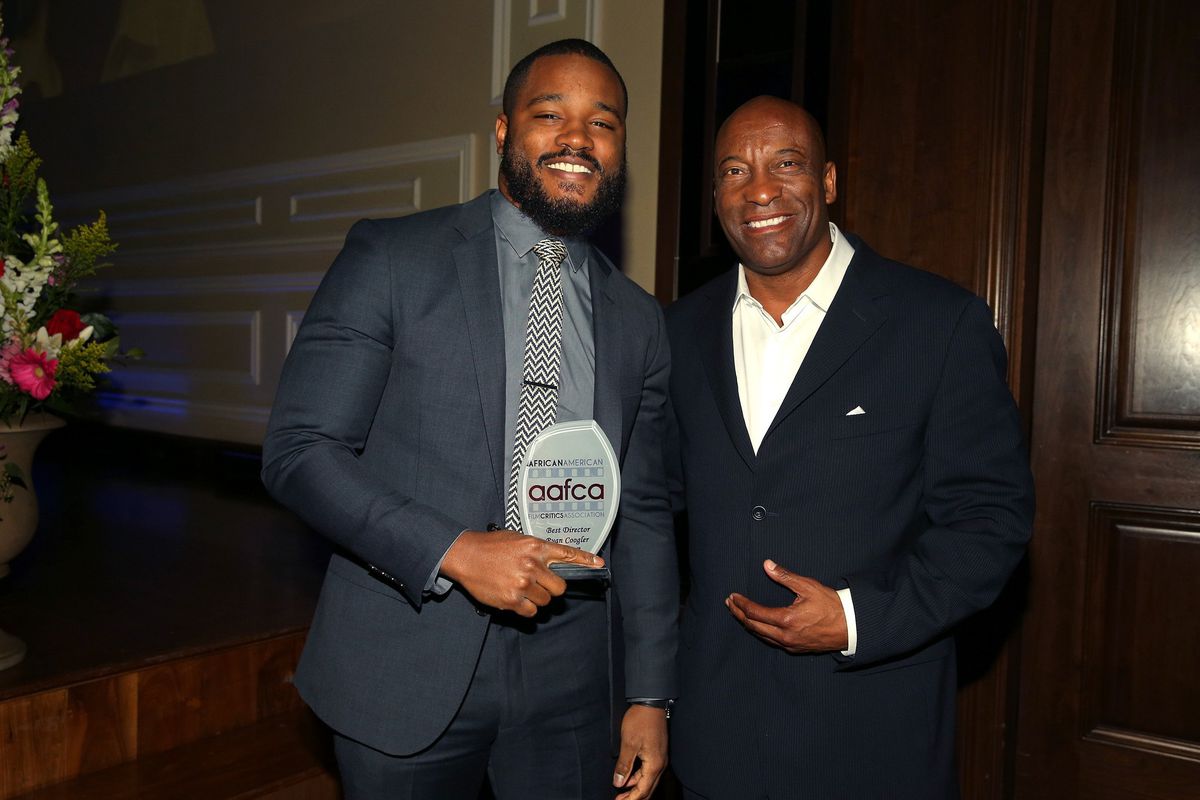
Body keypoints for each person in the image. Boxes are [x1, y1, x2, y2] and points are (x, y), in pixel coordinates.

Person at [261, 39, 677, 800]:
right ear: (502, 131)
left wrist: (649, 695)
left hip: (574, 682)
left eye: (602, 123)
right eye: (550, 114)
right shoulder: (393, 257)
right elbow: (300, 451)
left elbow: (645, 515)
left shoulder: (639, 320)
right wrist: (452, 551)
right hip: (405, 656)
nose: (577, 139)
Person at [664, 95, 1035, 799]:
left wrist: (859, 618)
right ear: (715, 198)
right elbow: (657, 509)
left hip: (870, 736)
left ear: (828, 183)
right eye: (735, 171)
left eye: (787, 164)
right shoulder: (678, 334)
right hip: (716, 739)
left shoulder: (938, 323)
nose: (761, 190)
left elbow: (992, 522)